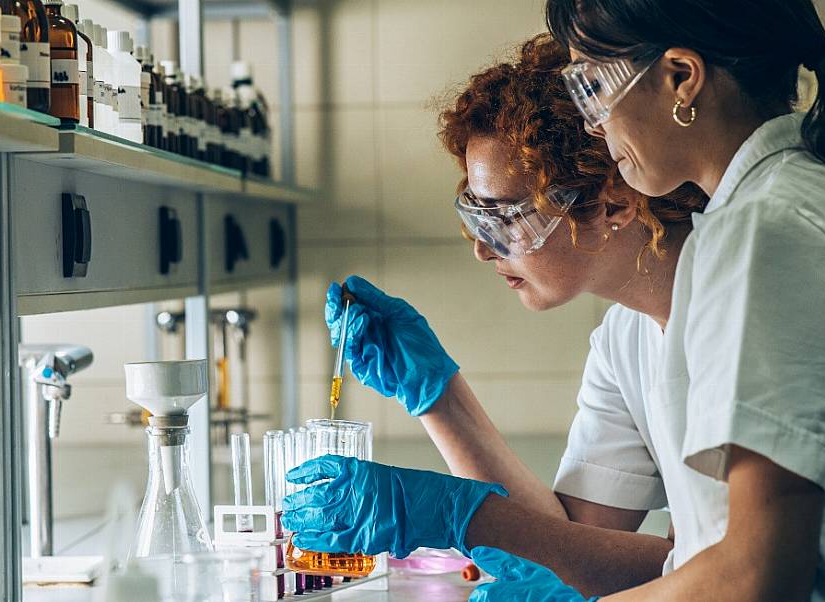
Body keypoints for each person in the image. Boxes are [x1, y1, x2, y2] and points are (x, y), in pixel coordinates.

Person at [464, 0, 825, 600]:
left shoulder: (769, 229)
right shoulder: (756, 217)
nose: (592, 123)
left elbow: (756, 577)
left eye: (592, 85)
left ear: (681, 77)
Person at [281, 34, 707, 597]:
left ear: (613, 204)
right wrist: (438, 397)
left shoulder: (729, 305)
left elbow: (712, 569)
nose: (483, 248)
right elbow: (569, 543)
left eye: (506, 217)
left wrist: (464, 517)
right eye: (475, 216)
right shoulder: (624, 337)